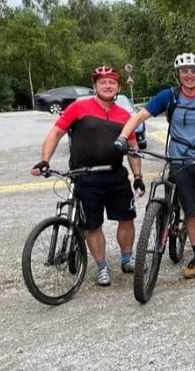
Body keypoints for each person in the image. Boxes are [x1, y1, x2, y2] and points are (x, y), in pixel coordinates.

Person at [114, 53, 195, 279]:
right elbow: (139, 117)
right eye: (185, 71)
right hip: (178, 160)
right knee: (190, 212)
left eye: (194, 70)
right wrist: (123, 138)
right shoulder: (169, 96)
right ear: (178, 74)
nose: (189, 75)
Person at [31, 65, 145, 286]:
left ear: (118, 87)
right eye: (102, 82)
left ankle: (127, 259)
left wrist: (138, 176)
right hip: (86, 176)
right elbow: (55, 133)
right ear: (94, 86)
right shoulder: (78, 107)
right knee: (92, 225)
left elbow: (132, 147)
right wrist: (45, 160)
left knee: (127, 219)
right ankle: (102, 267)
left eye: (112, 82)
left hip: (116, 174)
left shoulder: (124, 115)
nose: (107, 85)